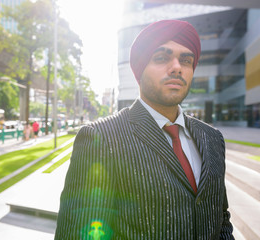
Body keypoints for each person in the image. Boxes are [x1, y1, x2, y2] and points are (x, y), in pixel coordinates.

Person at [55, 20, 234, 239]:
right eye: (162, 57)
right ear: (139, 69)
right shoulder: (100, 138)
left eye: (186, 60)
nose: (177, 67)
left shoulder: (213, 139)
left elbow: (221, 219)